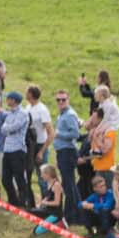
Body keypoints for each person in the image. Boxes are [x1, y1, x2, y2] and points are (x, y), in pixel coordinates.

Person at [51, 89, 82, 225]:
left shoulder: (69, 115)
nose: (61, 102)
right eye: (58, 100)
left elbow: (75, 134)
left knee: (69, 185)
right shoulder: (62, 115)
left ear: (68, 100)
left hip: (67, 152)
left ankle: (71, 216)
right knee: (69, 184)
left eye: (63, 99)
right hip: (62, 152)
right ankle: (76, 213)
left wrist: (58, 134)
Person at [0, 92, 34, 208]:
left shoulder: (23, 113)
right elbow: (3, 129)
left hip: (18, 150)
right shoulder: (9, 114)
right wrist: (9, 128)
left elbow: (15, 127)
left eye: (8, 99)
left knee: (19, 178)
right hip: (7, 149)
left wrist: (9, 128)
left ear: (14, 100)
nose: (7, 101)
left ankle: (22, 204)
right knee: (5, 179)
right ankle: (13, 202)